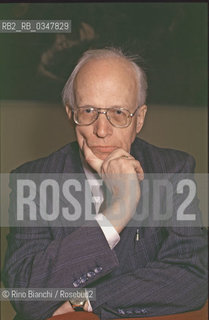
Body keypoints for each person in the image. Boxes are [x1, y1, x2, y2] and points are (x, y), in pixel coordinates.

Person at [3, 48, 207, 320]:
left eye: (119, 113)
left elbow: (193, 277)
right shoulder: (33, 180)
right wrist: (116, 213)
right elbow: (24, 291)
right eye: (88, 111)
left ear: (140, 119)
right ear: (70, 114)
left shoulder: (173, 171)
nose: (101, 130)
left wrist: (87, 298)